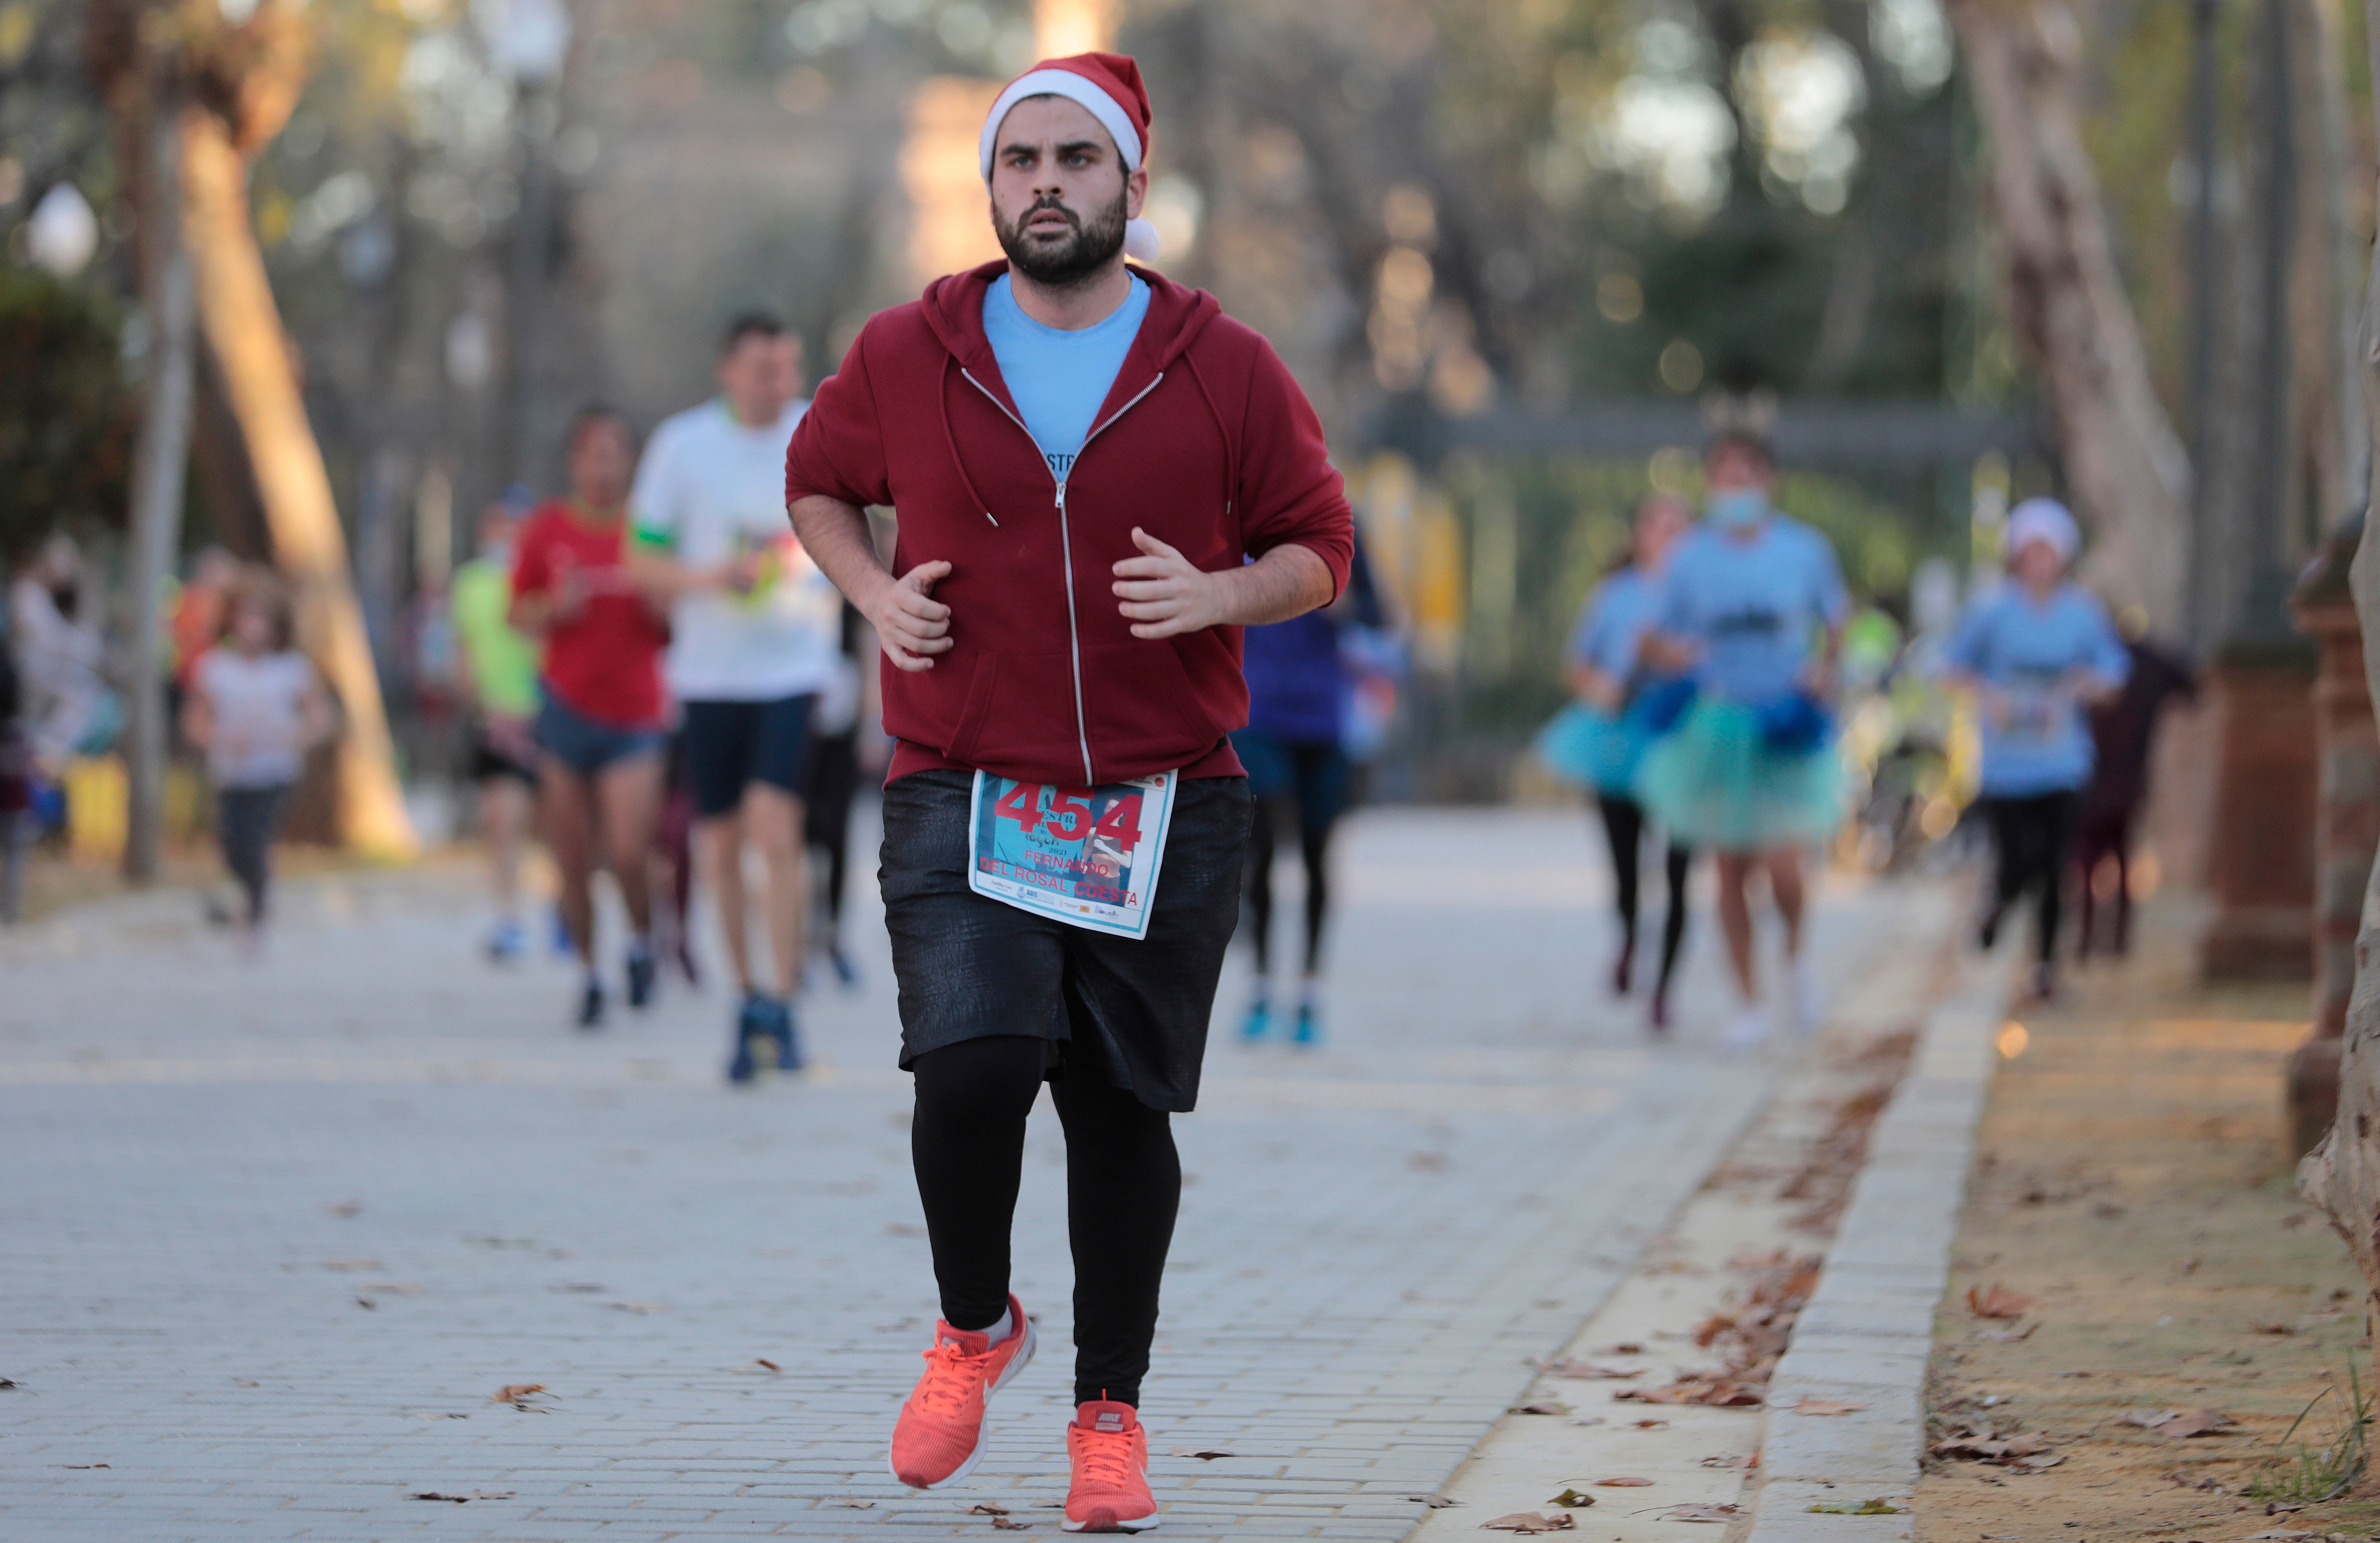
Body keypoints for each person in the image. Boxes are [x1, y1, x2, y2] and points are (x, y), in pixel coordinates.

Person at [783, 50, 1354, 1532]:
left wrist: (1218, 592)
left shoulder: (1220, 360)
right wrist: (868, 593)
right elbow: (817, 479)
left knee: (1115, 1104)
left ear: (1130, 187)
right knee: (970, 1066)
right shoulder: (912, 349)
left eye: (1075, 161)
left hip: (1165, 794)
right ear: (991, 187)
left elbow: (1319, 543)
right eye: (1021, 161)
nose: (1046, 184)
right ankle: (974, 1323)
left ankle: (1109, 1413)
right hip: (960, 775)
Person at [628, 313, 843, 1083]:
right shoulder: (681, 447)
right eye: (760, 367)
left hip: (792, 667)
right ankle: (746, 995)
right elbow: (640, 559)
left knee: (775, 829)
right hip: (709, 675)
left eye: (786, 367)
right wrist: (707, 577)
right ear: (726, 369)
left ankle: (784, 999)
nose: (775, 382)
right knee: (716, 844)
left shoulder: (819, 432)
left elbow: (864, 529)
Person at [1638, 431, 1849, 1050]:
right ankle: (1747, 1001)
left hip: (1784, 720)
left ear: (1768, 480)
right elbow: (1652, 636)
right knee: (1728, 868)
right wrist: (1674, 653)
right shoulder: (1688, 558)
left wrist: (1822, 667)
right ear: (1709, 484)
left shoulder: (1804, 550)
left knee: (1784, 865)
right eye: (1724, 476)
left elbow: (1835, 621)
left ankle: (1795, 958)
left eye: (1746, 474)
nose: (1736, 487)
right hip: (1718, 725)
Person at [511, 407, 671, 1029]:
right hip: (565, 710)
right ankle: (589, 973)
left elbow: (675, 620)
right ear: (575, 461)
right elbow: (517, 615)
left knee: (630, 851)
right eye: (593, 453)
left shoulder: (649, 528)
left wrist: (660, 605)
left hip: (635, 713)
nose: (604, 465)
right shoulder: (546, 528)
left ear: (628, 461)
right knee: (571, 857)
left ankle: (638, 942)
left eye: (615, 453)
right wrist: (554, 606)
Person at [1941, 498, 2129, 1001]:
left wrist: (2089, 685)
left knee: (2055, 867)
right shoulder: (1991, 611)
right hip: (2006, 765)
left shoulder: (2083, 613)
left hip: (2063, 761)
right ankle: (1997, 907)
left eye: (2048, 552)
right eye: (2031, 551)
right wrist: (1987, 693)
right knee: (2016, 864)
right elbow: (1950, 666)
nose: (2039, 562)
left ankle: (2046, 969)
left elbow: (2114, 673)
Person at [1231, 537, 1384, 1046]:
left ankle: (1309, 992)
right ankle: (1260, 985)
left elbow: (1381, 615)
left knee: (1319, 854)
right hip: (1259, 715)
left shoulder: (1341, 522)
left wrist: (1349, 607)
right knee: (1263, 852)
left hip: (1323, 720)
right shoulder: (1238, 518)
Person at [1563, 492, 1694, 1030]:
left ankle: (1663, 987)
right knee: (1625, 863)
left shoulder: (1702, 596)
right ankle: (1627, 934)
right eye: (1655, 526)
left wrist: (1665, 656)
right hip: (1619, 738)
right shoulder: (1611, 595)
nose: (1664, 537)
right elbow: (1578, 663)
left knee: (1680, 869)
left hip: (1685, 741)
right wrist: (1604, 690)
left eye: (1675, 527)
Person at [182, 569, 333, 950]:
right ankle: (248, 902)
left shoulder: (292, 668)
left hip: (275, 772)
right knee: (233, 845)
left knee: (257, 841)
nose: (252, 627)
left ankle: (255, 914)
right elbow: (196, 721)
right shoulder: (216, 667)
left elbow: (321, 718)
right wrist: (218, 739)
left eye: (261, 618)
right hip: (232, 772)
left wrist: (292, 738)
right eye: (246, 616)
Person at [2074, 607, 2195, 960]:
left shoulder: (2087, 661)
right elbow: (2190, 684)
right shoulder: (2146, 660)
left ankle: (2087, 941)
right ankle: (2116, 941)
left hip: (2091, 780)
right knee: (2120, 858)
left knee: (2088, 861)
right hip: (2125, 779)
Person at [451, 500, 543, 960]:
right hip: (495, 714)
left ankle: (566, 907)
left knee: (560, 822)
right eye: (499, 523)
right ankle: (508, 917)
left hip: (547, 713)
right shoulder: (471, 582)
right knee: (502, 819)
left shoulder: (544, 575)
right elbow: (465, 644)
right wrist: (471, 699)